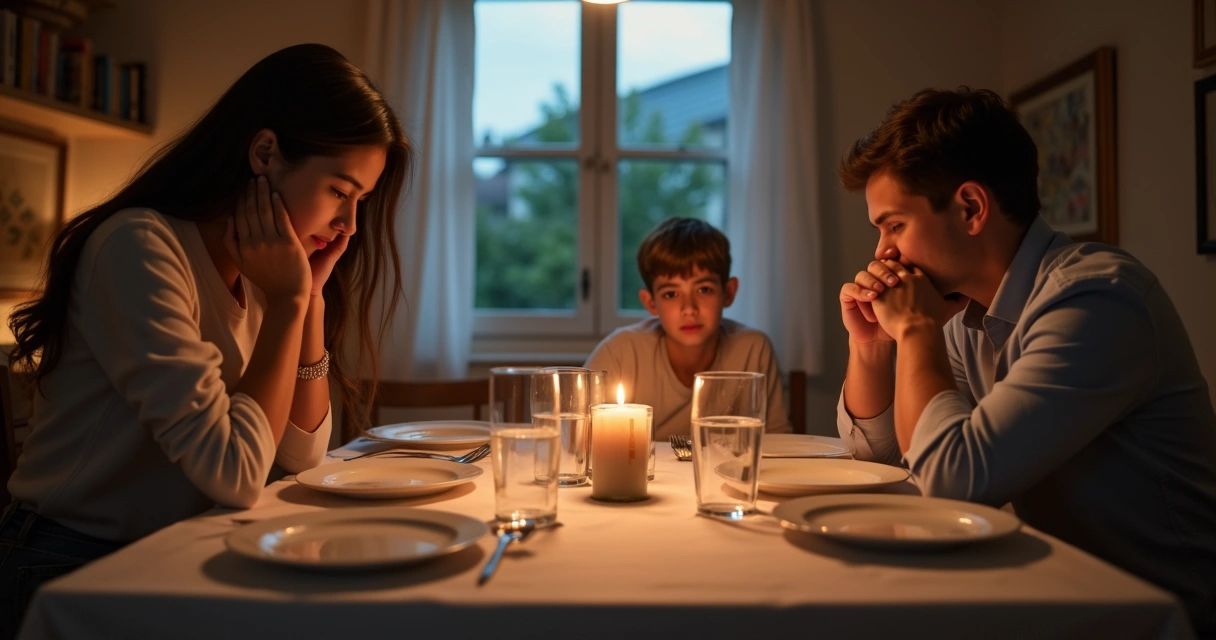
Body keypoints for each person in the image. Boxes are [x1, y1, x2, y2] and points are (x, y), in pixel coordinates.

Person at [0, 43, 411, 636]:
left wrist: (310, 303)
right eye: (340, 192)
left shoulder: (266, 269)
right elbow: (238, 476)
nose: (349, 225)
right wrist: (290, 302)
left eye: (359, 203)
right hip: (69, 565)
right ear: (266, 153)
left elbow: (300, 456)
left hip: (172, 552)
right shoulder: (140, 247)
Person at [835, 87, 1216, 637]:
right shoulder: (970, 314)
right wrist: (872, 345)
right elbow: (889, 462)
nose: (881, 254)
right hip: (1056, 593)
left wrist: (916, 330)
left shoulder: (1097, 300)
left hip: (1155, 614)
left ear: (970, 208)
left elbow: (951, 483)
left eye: (894, 225)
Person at [585, 217, 791, 439]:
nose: (689, 309)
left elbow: (776, 440)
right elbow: (577, 442)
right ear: (651, 303)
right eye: (671, 294)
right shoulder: (621, 353)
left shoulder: (753, 349)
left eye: (703, 289)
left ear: (728, 292)